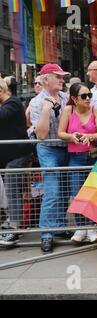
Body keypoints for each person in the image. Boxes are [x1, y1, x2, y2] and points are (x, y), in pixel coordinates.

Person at [29, 64, 71, 253]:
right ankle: (46, 234)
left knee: (64, 190)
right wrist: (46, 109)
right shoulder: (37, 102)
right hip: (48, 149)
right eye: (58, 77)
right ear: (46, 79)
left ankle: (60, 227)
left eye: (62, 77)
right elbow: (42, 135)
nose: (62, 80)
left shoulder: (66, 98)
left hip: (66, 147)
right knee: (53, 191)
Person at [58, 83, 97, 243]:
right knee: (77, 193)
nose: (87, 99)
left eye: (89, 95)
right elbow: (61, 133)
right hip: (75, 157)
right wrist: (72, 136)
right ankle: (81, 227)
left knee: (91, 193)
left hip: (93, 157)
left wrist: (89, 137)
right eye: (83, 96)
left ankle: (92, 227)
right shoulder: (68, 110)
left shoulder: (96, 110)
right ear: (74, 99)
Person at [0, 77, 33, 246]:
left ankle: (15, 229)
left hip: (17, 156)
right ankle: (12, 224)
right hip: (8, 157)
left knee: (13, 192)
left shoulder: (12, 103)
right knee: (10, 192)